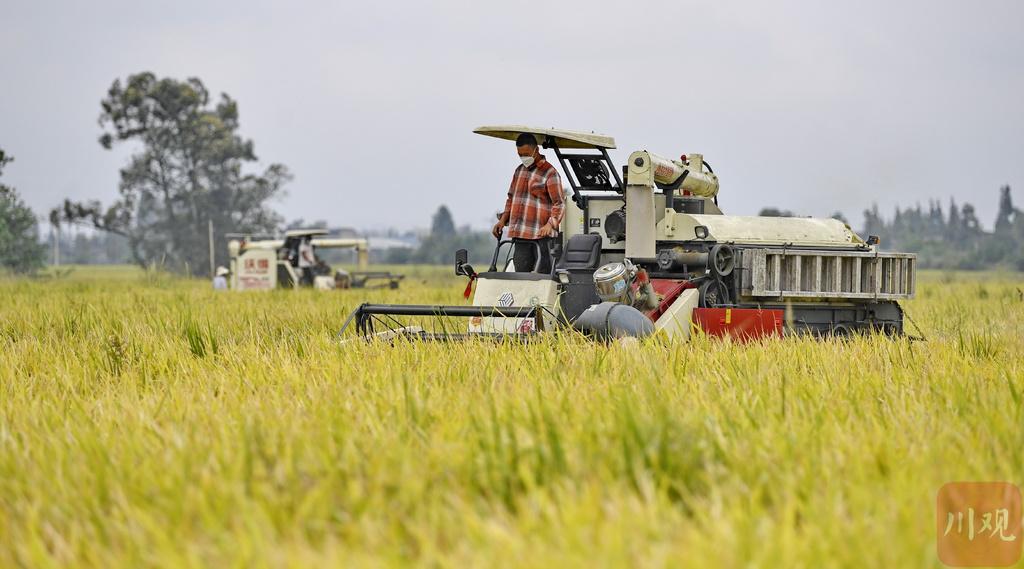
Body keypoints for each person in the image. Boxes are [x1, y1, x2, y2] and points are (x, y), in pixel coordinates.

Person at [491, 133, 564, 273]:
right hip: (521, 235)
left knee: (542, 277)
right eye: (520, 155)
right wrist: (503, 220)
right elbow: (511, 198)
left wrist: (550, 224)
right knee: (521, 277)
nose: (524, 158)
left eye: (526, 154)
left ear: (536, 150)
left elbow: (559, 203)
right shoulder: (519, 171)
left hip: (541, 237)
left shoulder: (550, 173)